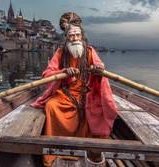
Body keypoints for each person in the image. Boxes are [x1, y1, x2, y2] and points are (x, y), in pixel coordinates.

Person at [31, 12, 118, 166]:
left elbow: (100, 68)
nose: (75, 39)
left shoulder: (90, 51)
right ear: (66, 37)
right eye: (71, 36)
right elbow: (47, 75)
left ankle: (88, 149)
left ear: (82, 35)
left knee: (95, 109)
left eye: (78, 35)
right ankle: (56, 150)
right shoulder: (61, 52)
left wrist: (99, 69)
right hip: (65, 94)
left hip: (87, 93)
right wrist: (63, 72)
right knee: (51, 106)